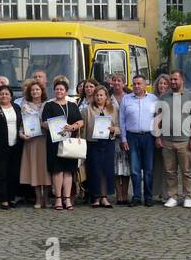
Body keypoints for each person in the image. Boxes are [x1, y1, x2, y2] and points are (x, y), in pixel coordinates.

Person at [154, 71, 191, 208]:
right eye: (171, 79)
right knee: (170, 171)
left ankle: (188, 197)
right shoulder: (163, 97)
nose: (173, 82)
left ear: (182, 80)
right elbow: (158, 118)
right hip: (167, 140)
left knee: (187, 171)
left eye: (175, 79)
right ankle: (172, 196)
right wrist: (158, 136)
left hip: (185, 141)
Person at [43, 77, 84, 210]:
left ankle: (67, 199)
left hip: (69, 143)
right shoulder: (49, 105)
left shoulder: (72, 105)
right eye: (57, 89)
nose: (59, 91)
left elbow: (80, 121)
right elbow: (43, 123)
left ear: (66, 91)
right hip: (54, 142)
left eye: (61, 89)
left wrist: (72, 127)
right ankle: (58, 199)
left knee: (68, 171)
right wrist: (55, 125)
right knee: (57, 171)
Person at [120, 75, 157, 207]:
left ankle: (148, 196)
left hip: (149, 136)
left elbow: (158, 118)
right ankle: (136, 196)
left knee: (149, 169)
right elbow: (122, 120)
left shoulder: (153, 99)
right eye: (134, 84)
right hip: (132, 136)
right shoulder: (126, 99)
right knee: (134, 169)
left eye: (139, 83)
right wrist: (124, 138)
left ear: (145, 85)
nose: (136, 86)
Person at [84, 85, 120, 208]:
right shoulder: (88, 109)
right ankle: (96, 197)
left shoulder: (113, 109)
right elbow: (84, 128)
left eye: (101, 95)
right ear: (94, 97)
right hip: (93, 143)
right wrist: (83, 142)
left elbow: (119, 126)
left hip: (108, 142)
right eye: (97, 95)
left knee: (106, 170)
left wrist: (114, 129)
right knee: (95, 170)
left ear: (106, 97)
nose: (99, 97)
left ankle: (104, 197)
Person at [18, 79, 51, 208]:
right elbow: (21, 125)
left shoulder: (48, 105)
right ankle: (38, 199)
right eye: (32, 90)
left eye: (37, 89)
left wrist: (47, 125)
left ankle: (46, 199)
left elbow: (53, 122)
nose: (35, 92)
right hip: (31, 141)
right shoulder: (25, 106)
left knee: (46, 170)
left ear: (42, 91)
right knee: (35, 170)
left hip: (45, 140)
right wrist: (21, 135)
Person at [109, 73, 133, 205]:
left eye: (119, 81)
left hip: (127, 136)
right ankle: (119, 195)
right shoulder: (108, 97)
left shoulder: (129, 97)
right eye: (114, 80)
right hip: (112, 136)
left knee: (126, 167)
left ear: (124, 83)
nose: (116, 83)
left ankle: (125, 194)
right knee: (115, 167)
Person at [152, 73, 171, 203]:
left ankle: (166, 193)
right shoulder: (152, 98)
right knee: (156, 165)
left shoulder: (170, 99)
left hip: (168, 135)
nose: (162, 86)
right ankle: (156, 191)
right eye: (160, 83)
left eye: (165, 83)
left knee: (167, 166)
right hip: (153, 135)